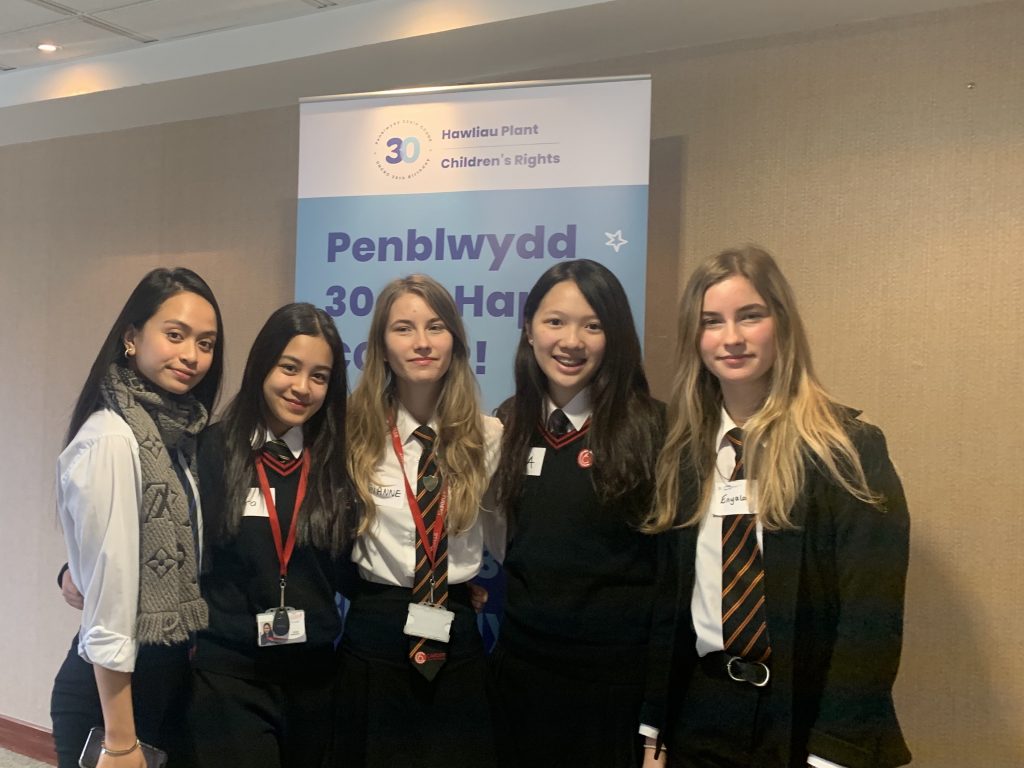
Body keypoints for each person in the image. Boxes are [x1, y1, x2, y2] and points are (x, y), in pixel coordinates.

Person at [643, 246, 911, 768]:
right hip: (702, 713)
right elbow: (670, 607)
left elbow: (872, 618)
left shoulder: (847, 450)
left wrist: (835, 753)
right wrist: (655, 724)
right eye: (712, 322)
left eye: (751, 316)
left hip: (804, 721)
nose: (732, 338)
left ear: (781, 324)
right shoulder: (684, 454)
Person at [489, 259, 665, 768]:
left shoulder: (655, 430)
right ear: (528, 329)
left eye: (593, 325)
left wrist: (658, 716)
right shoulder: (506, 423)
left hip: (614, 691)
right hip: (521, 679)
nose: (572, 341)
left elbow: (672, 577)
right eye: (555, 322)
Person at [51, 267, 224, 768]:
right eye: (175, 335)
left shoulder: (177, 436)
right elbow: (110, 607)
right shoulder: (112, 438)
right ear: (131, 337)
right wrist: (120, 742)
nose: (191, 356)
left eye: (206, 343)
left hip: (165, 680)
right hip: (112, 700)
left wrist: (71, 573)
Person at [336, 274, 503, 768]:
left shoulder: (491, 437)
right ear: (382, 348)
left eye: (436, 327)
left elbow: (512, 539)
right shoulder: (351, 435)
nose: (423, 342)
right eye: (404, 329)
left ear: (455, 341)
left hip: (459, 634)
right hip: (375, 636)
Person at [187, 302, 354, 768]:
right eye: (289, 368)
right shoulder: (212, 450)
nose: (302, 388)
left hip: (314, 679)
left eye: (319, 376)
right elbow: (163, 538)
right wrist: (72, 571)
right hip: (231, 675)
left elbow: (354, 567)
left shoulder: (337, 464)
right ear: (263, 364)